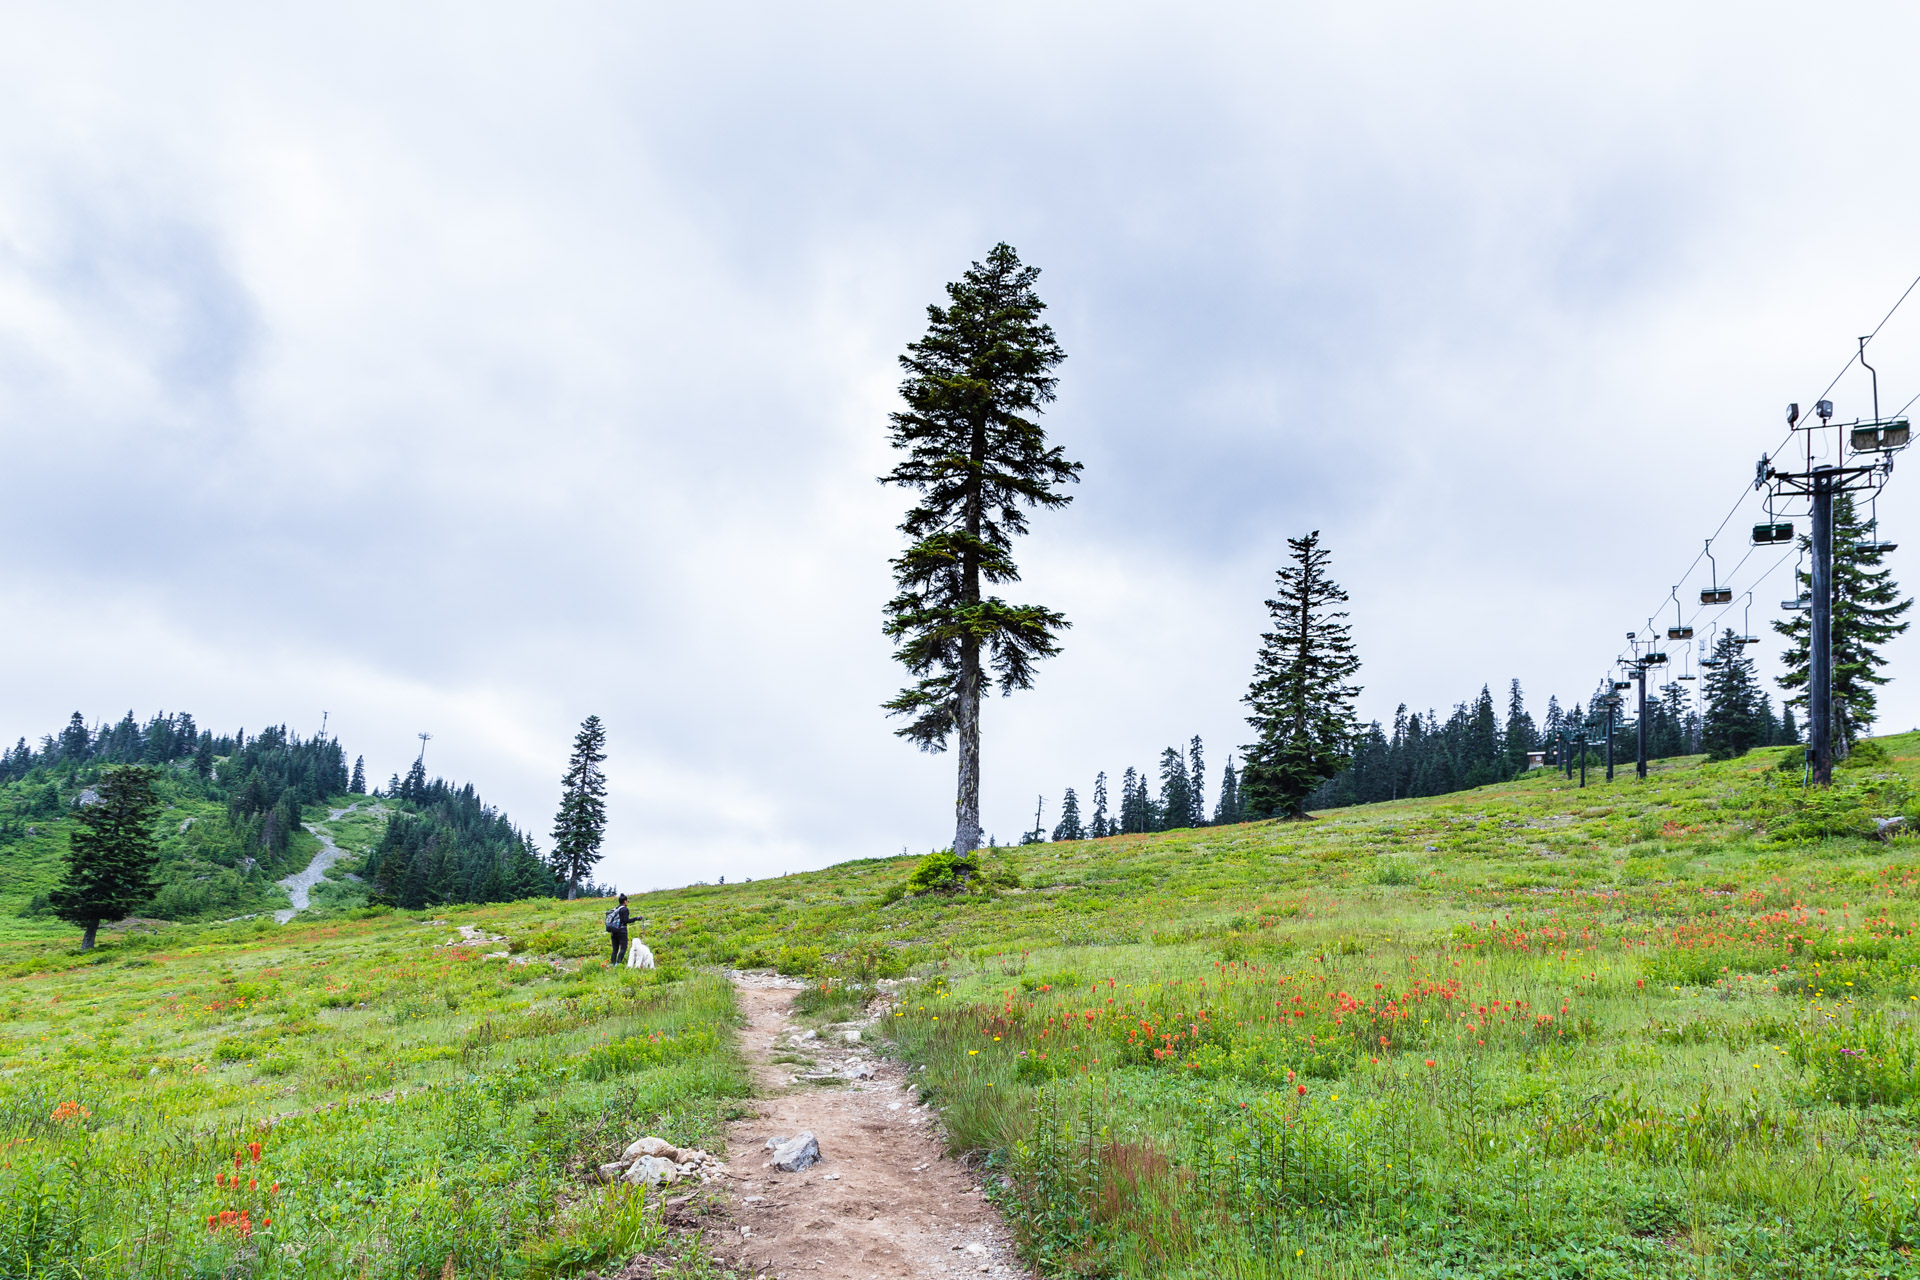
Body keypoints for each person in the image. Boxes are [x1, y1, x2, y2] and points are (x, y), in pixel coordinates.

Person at [608, 893, 631, 965]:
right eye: (627, 901)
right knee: (623, 948)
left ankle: (612, 964)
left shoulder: (615, 909)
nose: (628, 902)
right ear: (625, 901)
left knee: (615, 949)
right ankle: (618, 963)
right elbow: (626, 921)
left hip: (613, 930)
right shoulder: (625, 909)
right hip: (622, 930)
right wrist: (636, 918)